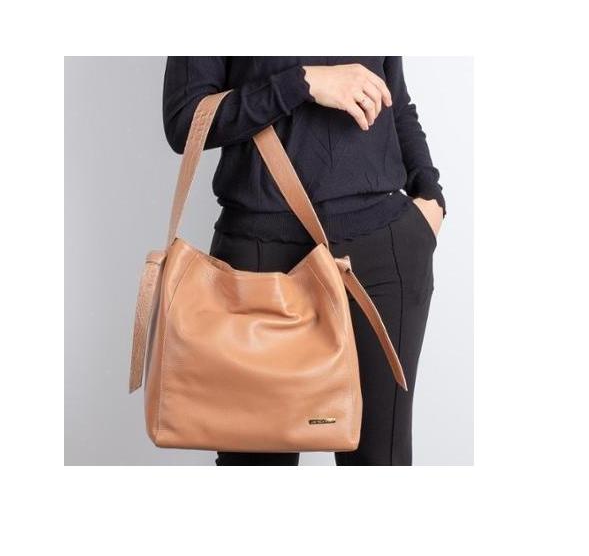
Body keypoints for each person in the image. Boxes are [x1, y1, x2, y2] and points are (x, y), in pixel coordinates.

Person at [162, 57, 445, 466]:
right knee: (256, 465)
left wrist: (430, 195)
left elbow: (394, 100)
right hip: (261, 261)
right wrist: (304, 83)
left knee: (381, 461)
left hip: (385, 253)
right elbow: (186, 120)